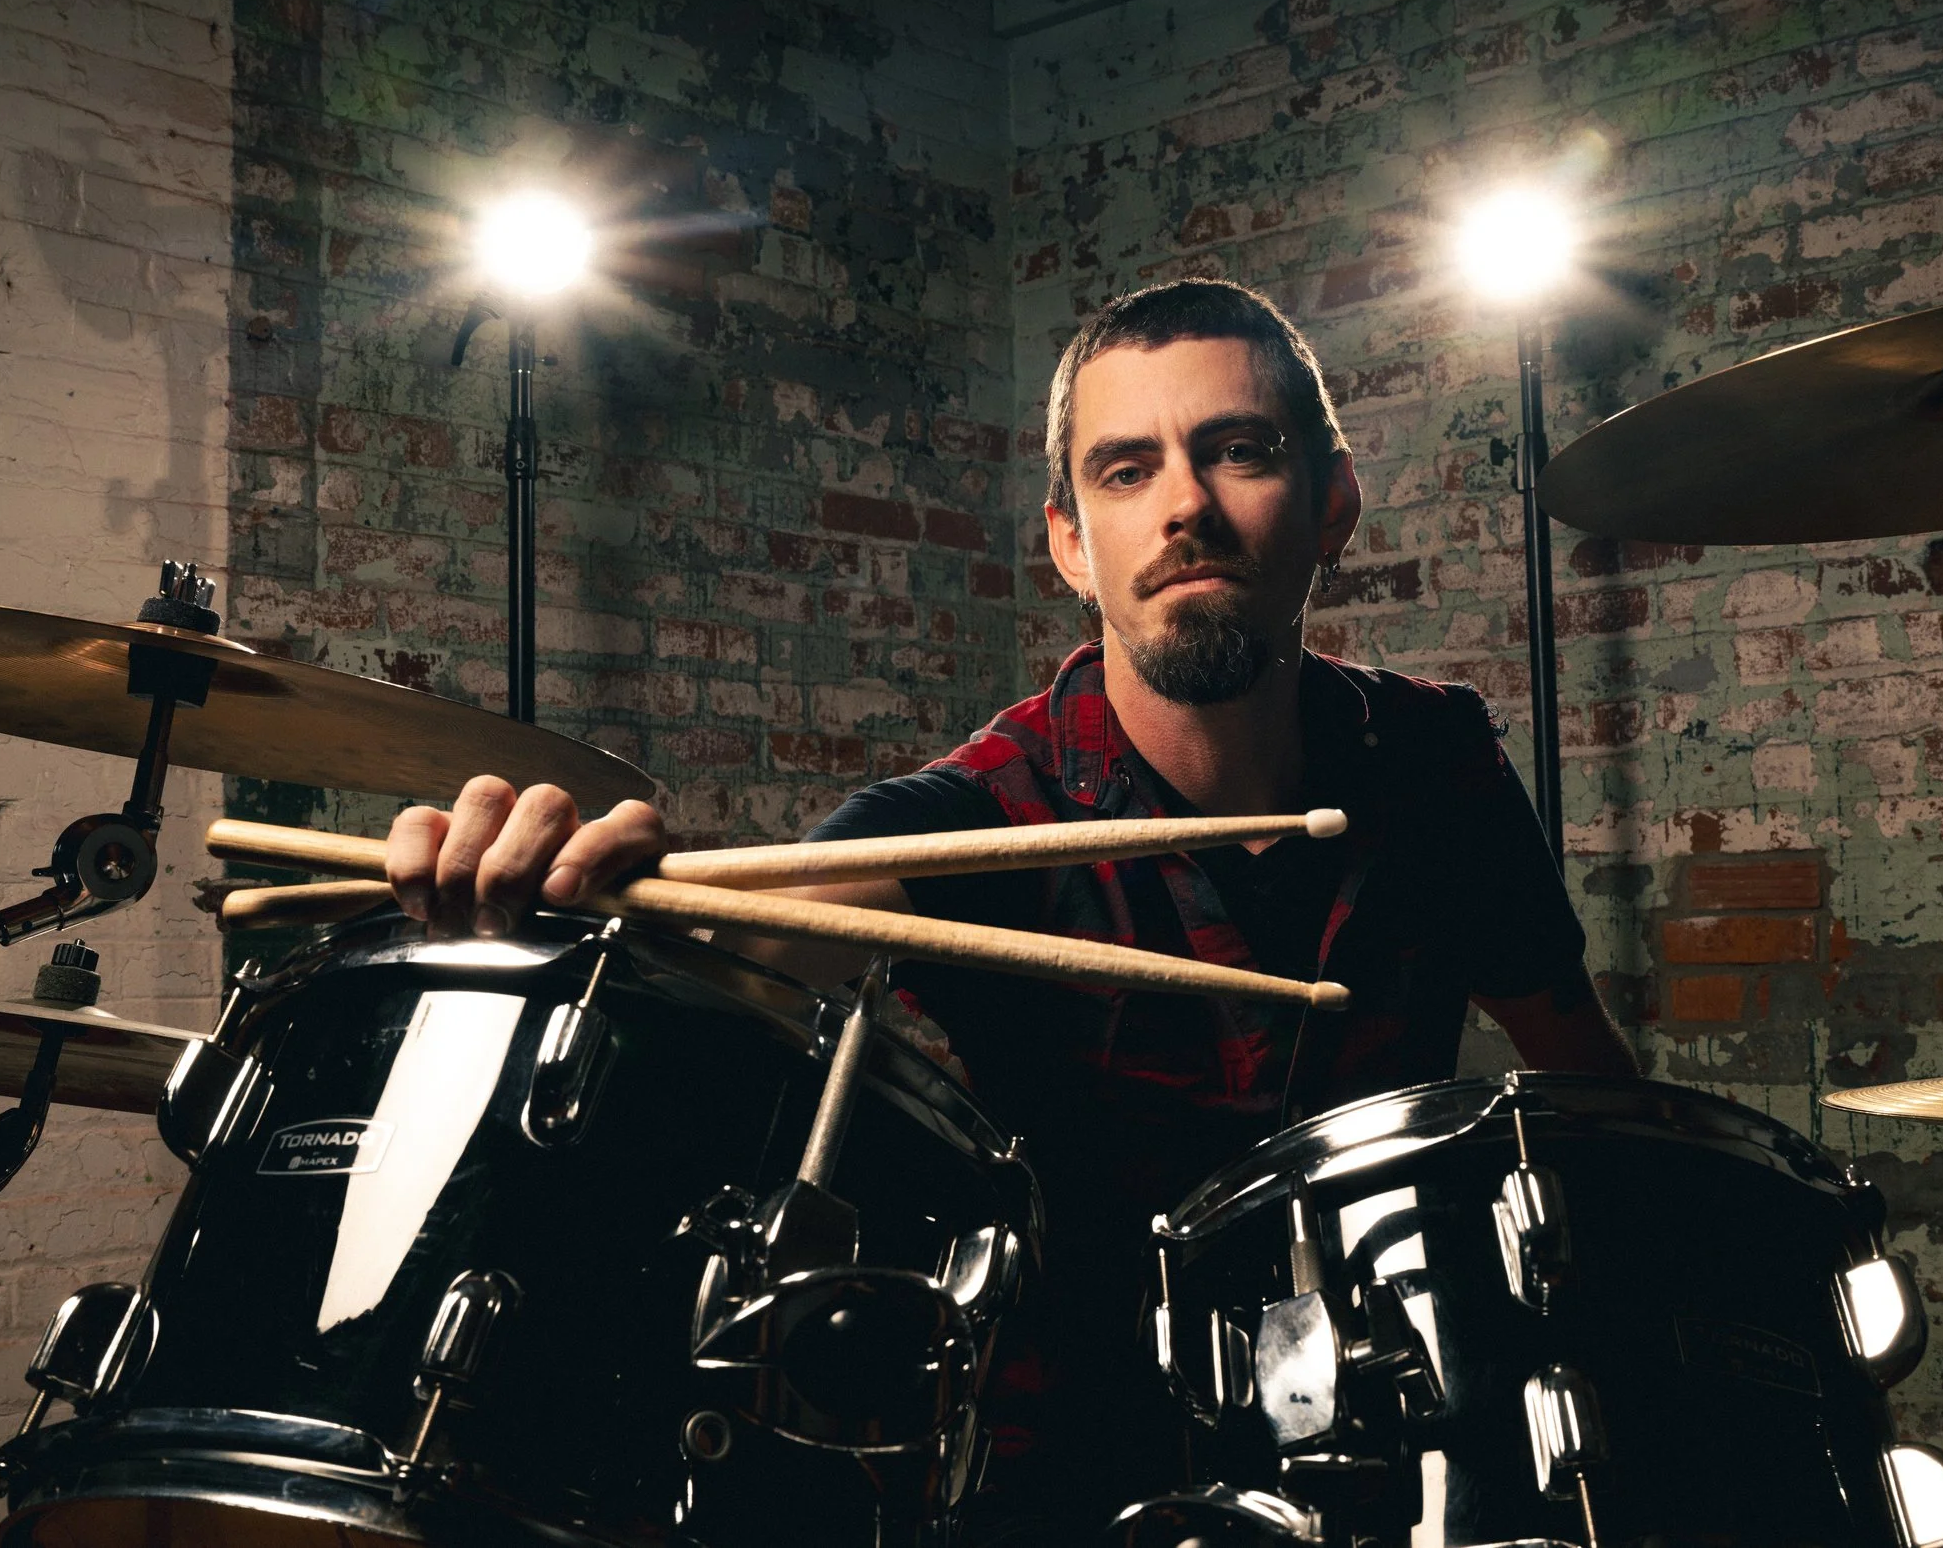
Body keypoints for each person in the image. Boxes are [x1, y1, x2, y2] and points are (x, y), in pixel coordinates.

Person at [385, 278, 1636, 1540]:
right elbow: (725, 974)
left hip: (1409, 1440)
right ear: (1068, 541)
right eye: (1127, 469)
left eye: (1238, 452)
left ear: (1334, 501)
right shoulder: (976, 815)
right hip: (1078, 1470)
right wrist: (552, 923)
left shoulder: (1434, 760)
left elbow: (1591, 1090)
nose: (1186, 508)